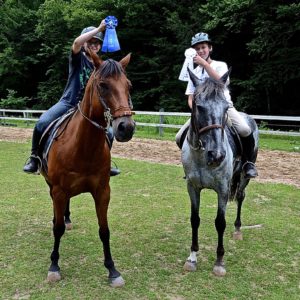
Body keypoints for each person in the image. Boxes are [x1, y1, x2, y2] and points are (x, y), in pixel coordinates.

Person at [23, 20, 120, 176]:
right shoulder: (77, 58)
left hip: (90, 108)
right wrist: (99, 29)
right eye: (90, 41)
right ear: (84, 44)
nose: (94, 44)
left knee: (109, 132)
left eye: (97, 42)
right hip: (69, 103)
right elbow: (76, 42)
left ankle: (105, 164)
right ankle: (35, 158)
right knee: (41, 123)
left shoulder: (100, 66)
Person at [176, 32, 257, 179]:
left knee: (245, 130)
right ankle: (191, 166)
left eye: (203, 47)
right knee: (179, 136)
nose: (201, 51)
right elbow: (190, 97)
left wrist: (205, 64)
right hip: (201, 112)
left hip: (223, 109)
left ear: (210, 48)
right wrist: (196, 110)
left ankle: (248, 163)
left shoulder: (220, 65)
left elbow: (222, 82)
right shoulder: (193, 71)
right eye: (197, 49)